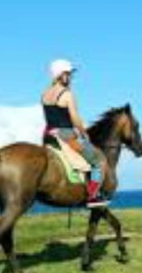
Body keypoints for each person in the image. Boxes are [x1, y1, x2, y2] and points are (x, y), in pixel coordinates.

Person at [42, 59, 107, 208]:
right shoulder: (67, 94)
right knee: (98, 161)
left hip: (48, 135)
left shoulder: (45, 94)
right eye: (68, 74)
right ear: (60, 75)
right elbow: (75, 118)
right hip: (66, 135)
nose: (70, 77)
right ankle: (92, 196)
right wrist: (84, 133)